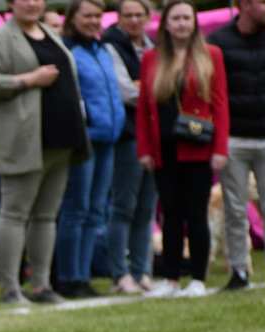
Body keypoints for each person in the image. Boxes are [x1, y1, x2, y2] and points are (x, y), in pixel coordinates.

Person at [0, 0, 90, 305]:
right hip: (25, 142)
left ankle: (40, 286)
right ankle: (10, 288)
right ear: (11, 3)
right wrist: (28, 80)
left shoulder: (50, 33)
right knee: (14, 213)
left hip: (61, 141)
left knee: (46, 216)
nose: (32, 3)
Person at [136, 0, 229, 297]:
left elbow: (221, 104)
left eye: (186, 18)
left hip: (198, 146)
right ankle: (171, 279)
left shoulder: (211, 55)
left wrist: (220, 149)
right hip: (163, 148)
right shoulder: (151, 58)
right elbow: (142, 107)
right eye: (175, 18)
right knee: (171, 214)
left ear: (194, 22)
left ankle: (198, 280)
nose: (181, 24)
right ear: (165, 23)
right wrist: (144, 149)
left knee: (196, 213)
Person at [208, 0, 265, 293]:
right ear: (244, 5)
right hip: (233, 139)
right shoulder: (219, 42)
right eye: (263, 2)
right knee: (235, 210)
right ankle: (239, 272)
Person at [54, 0, 125, 299]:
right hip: (83, 141)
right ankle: (68, 277)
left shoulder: (103, 50)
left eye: (98, 15)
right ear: (72, 17)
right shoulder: (67, 50)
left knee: (96, 210)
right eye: (87, 16)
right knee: (76, 209)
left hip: (108, 139)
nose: (94, 21)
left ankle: (83, 277)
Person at [103, 0, 158, 294]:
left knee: (147, 208)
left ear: (148, 17)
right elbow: (125, 91)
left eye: (139, 14)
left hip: (155, 133)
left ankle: (143, 271)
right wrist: (153, 89)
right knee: (124, 206)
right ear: (119, 18)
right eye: (128, 15)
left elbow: (167, 84)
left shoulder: (154, 45)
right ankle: (120, 274)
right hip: (129, 135)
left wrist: (146, 86)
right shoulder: (111, 45)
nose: (134, 20)